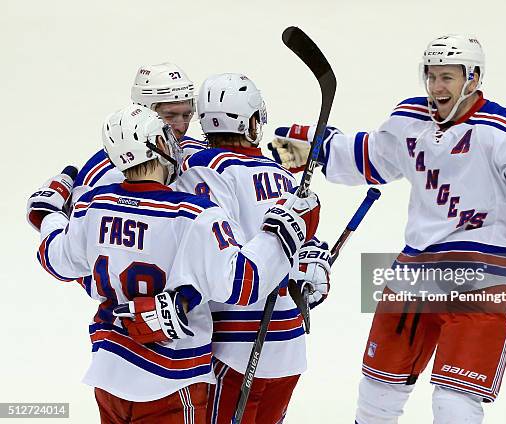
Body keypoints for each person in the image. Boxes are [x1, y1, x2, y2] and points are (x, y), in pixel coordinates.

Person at [269, 34, 506, 424]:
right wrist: (319, 147)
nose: (437, 87)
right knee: (376, 396)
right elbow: (371, 159)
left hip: (483, 279)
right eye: (432, 76)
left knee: (453, 404)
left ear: (472, 79)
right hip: (414, 274)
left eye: (448, 77)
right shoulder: (408, 120)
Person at [26, 104, 321, 423]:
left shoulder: (92, 208)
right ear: (159, 145)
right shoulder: (194, 216)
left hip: (109, 374)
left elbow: (55, 259)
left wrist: (49, 215)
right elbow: (242, 283)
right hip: (172, 380)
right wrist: (284, 233)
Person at [175, 73, 331, 424]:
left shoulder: (198, 171)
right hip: (289, 346)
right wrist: (314, 273)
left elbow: (207, 253)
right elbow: (308, 255)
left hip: (232, 348)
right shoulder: (286, 176)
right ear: (251, 122)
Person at [72, 62, 208, 203]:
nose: (181, 127)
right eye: (170, 117)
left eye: (186, 115)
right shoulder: (101, 172)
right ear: (143, 113)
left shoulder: (200, 153)